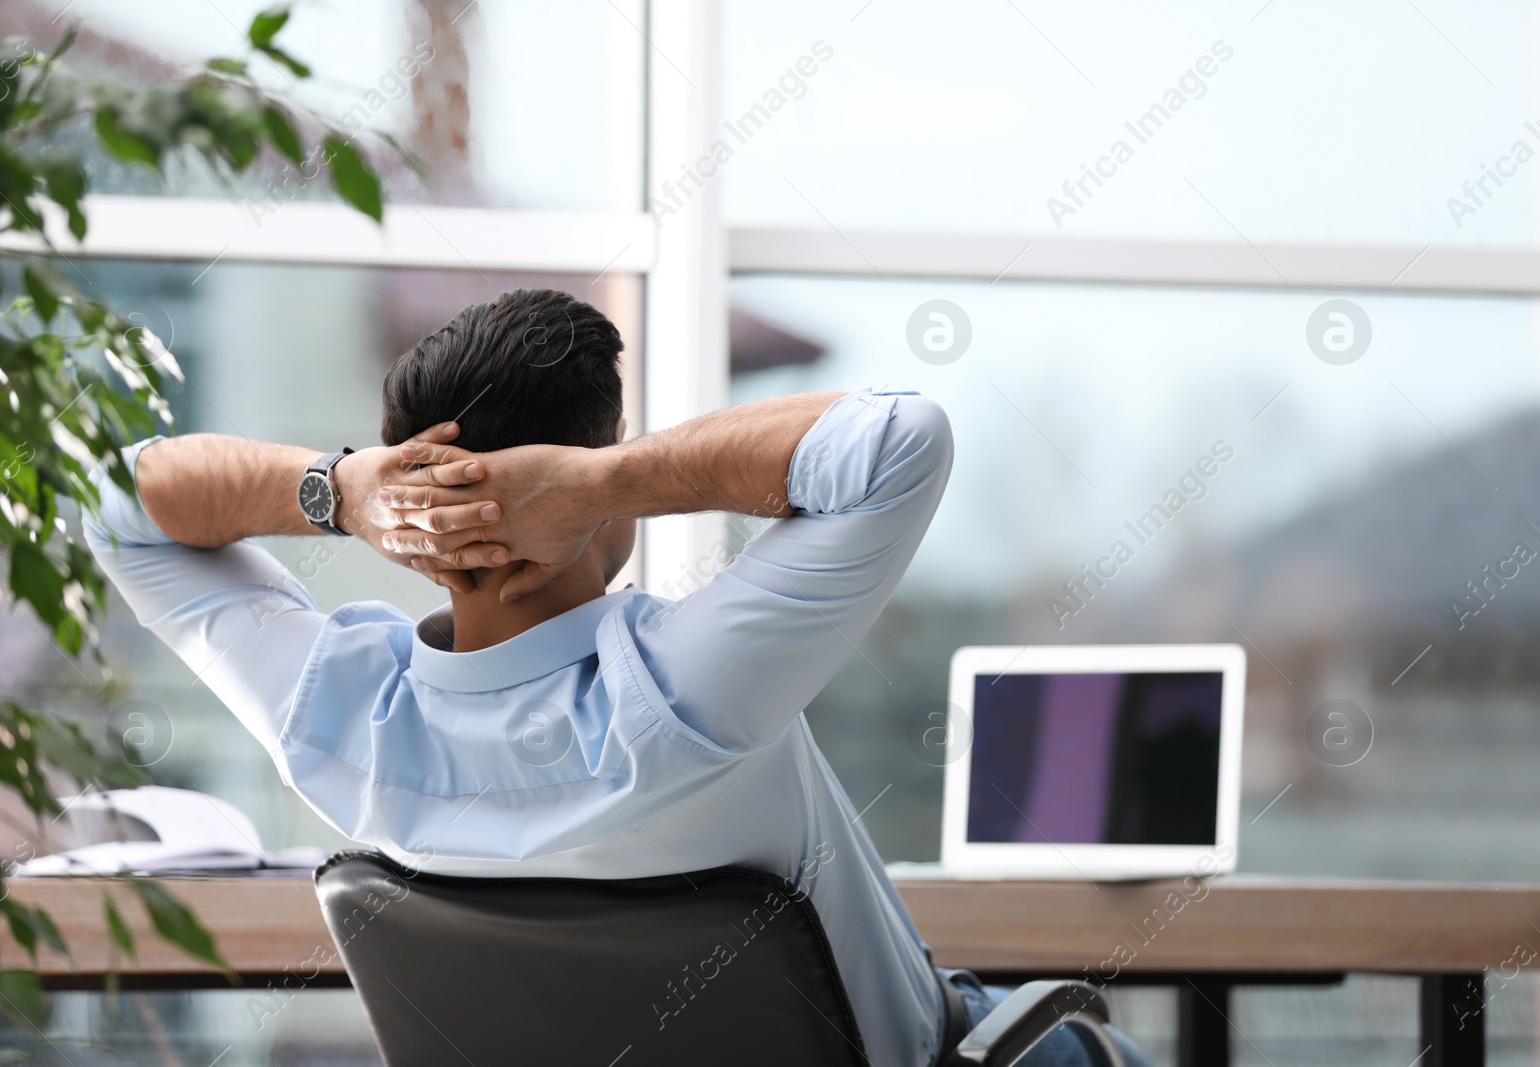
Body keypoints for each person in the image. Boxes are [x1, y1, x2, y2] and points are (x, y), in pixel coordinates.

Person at [83, 288, 1147, 1067]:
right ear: (582, 483)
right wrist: (605, 478)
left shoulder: (337, 715)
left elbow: (118, 506)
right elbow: (898, 440)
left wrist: (336, 488)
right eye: (606, 458)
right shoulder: (685, 688)